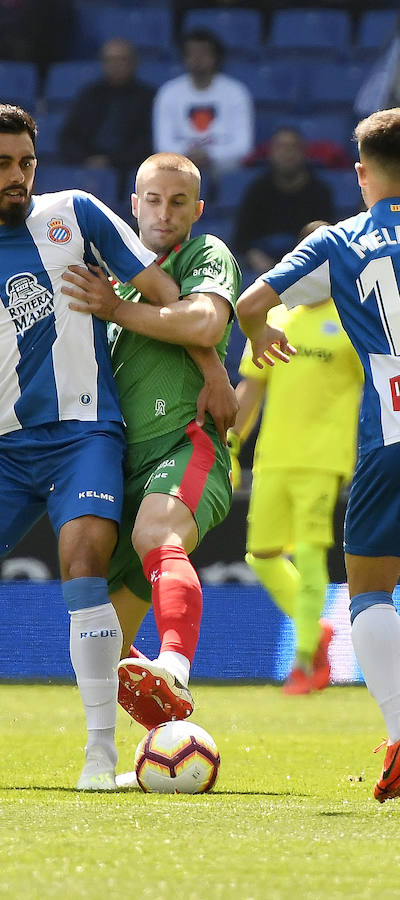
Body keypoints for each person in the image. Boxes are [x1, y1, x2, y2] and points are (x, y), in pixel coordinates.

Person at [0, 103, 234, 792]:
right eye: (3, 164)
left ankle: (98, 758)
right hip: (5, 445)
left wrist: (213, 368)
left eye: (27, 162)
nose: (18, 176)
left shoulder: (77, 214)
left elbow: (163, 292)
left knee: (84, 567)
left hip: (88, 435)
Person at [0, 151, 240, 732]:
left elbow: (203, 320)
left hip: (184, 444)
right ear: (134, 205)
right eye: (152, 200)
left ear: (197, 210)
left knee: (158, 533)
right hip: (114, 464)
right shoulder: (102, 270)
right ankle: (170, 743)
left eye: (179, 202)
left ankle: (176, 663)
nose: (164, 212)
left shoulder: (204, 254)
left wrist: (120, 311)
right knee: (104, 646)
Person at [235, 107, 400, 803]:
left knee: (369, 590)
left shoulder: (341, 241)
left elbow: (249, 302)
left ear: (361, 174)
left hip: (386, 434)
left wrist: (262, 332)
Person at [228, 221, 363, 694]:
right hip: (273, 457)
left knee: (308, 554)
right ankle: (317, 630)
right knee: (261, 555)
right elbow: (252, 389)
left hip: (324, 458)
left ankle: (307, 660)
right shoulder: (275, 320)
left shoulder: (353, 320)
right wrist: (231, 442)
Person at [152, 28, 254, 189]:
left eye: (203, 53)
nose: (197, 59)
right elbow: (162, 145)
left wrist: (211, 155)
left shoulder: (236, 92)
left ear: (216, 57)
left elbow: (243, 145)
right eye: (192, 53)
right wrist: (187, 156)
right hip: (179, 171)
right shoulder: (169, 92)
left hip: (224, 170)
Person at [58, 38, 155, 200]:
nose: (115, 65)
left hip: (128, 169)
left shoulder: (148, 97)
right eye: (109, 60)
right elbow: (67, 136)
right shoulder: (89, 95)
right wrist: (86, 159)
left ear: (134, 63)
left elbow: (147, 141)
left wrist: (112, 161)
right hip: (86, 164)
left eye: (121, 60)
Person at [232, 128, 335, 279]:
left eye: (293, 147)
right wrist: (255, 257)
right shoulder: (257, 189)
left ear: (304, 152)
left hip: (305, 264)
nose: (287, 153)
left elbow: (325, 237)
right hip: (261, 265)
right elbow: (241, 239)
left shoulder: (320, 191)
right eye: (280, 147)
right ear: (271, 153)